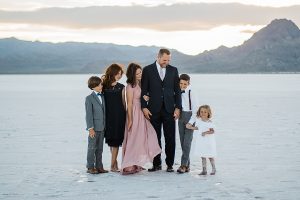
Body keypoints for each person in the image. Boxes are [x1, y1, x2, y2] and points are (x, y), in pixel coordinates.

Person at [141, 48, 181, 172]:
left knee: (170, 138)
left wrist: (178, 107)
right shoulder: (147, 70)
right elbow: (143, 90)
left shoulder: (173, 70)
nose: (166, 62)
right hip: (153, 109)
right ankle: (156, 164)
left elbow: (177, 91)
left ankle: (169, 164)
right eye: (164, 60)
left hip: (169, 109)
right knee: (154, 138)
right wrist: (144, 107)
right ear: (158, 57)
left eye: (168, 60)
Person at [121, 63, 161, 175]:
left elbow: (142, 97)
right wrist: (130, 120)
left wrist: (146, 97)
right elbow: (129, 104)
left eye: (141, 72)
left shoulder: (140, 84)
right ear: (132, 74)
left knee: (144, 137)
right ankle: (129, 165)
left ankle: (137, 163)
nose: (140, 74)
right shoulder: (130, 86)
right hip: (134, 113)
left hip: (142, 112)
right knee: (133, 139)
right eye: (137, 73)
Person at [102, 64, 126, 172]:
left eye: (121, 74)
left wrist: (128, 115)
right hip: (107, 116)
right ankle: (114, 163)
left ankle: (112, 165)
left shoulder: (122, 87)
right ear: (112, 72)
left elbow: (124, 102)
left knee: (116, 141)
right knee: (111, 141)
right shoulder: (103, 86)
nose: (119, 76)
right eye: (118, 74)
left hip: (119, 116)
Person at [85, 76, 108, 174]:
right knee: (92, 148)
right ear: (93, 86)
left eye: (101, 84)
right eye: (99, 85)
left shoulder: (102, 96)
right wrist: (90, 128)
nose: (101, 86)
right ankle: (90, 167)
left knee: (100, 148)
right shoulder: (89, 98)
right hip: (94, 128)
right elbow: (88, 115)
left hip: (102, 127)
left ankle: (99, 166)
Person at [186, 105, 217, 175]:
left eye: (205, 112)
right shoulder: (199, 121)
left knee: (210, 155)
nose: (203, 113)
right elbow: (197, 128)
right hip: (201, 141)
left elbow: (212, 131)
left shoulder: (209, 122)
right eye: (201, 112)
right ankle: (204, 170)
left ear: (208, 113)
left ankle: (214, 169)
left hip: (208, 141)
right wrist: (190, 127)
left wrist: (206, 132)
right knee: (203, 155)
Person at [176, 74, 198, 174]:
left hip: (190, 117)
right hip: (180, 117)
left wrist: (190, 123)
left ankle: (183, 165)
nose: (182, 86)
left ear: (189, 83)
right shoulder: (177, 91)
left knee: (187, 143)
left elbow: (195, 111)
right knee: (182, 142)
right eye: (181, 83)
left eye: (185, 84)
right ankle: (187, 166)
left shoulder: (191, 92)